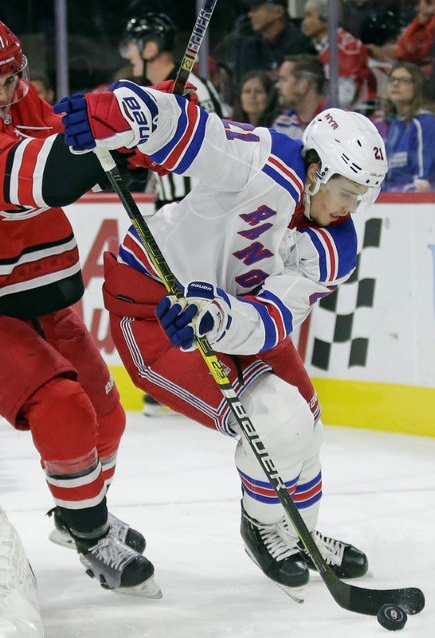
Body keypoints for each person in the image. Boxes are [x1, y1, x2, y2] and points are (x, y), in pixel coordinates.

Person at [54, 75, 377, 592]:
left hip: (222, 315)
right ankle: (265, 528)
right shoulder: (265, 161)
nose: (349, 207)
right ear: (315, 170)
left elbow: (274, 318)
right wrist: (123, 112)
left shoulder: (335, 248)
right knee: (275, 415)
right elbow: (194, 133)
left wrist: (217, 316)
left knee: (307, 420)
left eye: (360, 197)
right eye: (344, 191)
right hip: (153, 310)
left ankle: (303, 535)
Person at [0, 10, 156, 594]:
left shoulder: (22, 97)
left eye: (10, 77)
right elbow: (38, 178)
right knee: (63, 407)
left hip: (41, 296)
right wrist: (102, 153)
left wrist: (145, 128)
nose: (5, 92)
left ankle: (78, 518)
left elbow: (71, 141)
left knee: (106, 418)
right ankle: (92, 533)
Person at [119, 11, 229, 418]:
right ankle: (189, 376)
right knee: (171, 292)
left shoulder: (193, 89)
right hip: (178, 208)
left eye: (133, 45)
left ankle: (216, 376)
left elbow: (212, 152)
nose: (129, 55)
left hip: (198, 209)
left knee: (198, 292)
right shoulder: (161, 90)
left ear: (150, 47)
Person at [377, 62, 435, 191]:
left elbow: (424, 182)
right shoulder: (383, 125)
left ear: (417, 87)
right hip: (386, 198)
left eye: (404, 80)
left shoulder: (425, 123)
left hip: (412, 202)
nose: (395, 84)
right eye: (392, 80)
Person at [301, 0, 374, 109]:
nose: (304, 22)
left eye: (309, 15)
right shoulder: (312, 45)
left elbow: (344, 98)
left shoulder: (345, 47)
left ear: (326, 20)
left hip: (353, 113)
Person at [233, 0, 316, 82]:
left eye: (256, 9)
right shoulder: (248, 45)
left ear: (278, 12)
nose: (250, 14)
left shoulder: (299, 44)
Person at [272, 54, 330, 139]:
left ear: (303, 85)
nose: (277, 85)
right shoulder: (282, 123)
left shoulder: (337, 121)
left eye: (284, 79)